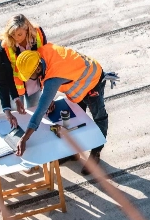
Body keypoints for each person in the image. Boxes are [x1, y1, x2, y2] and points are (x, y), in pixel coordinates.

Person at [14, 43, 110, 175]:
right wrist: (50, 98)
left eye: (30, 75)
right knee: (74, 120)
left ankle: (96, 152)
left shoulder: (53, 78)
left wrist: (24, 138)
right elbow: (51, 77)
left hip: (93, 81)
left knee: (99, 117)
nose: (30, 79)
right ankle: (73, 152)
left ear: (37, 69)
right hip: (79, 82)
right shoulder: (41, 55)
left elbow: (41, 109)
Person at [0, 14, 47, 111]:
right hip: (15, 88)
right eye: (12, 34)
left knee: (35, 111)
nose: (16, 38)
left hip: (34, 85)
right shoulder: (4, 44)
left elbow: (46, 59)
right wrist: (14, 97)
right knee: (17, 116)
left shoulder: (38, 33)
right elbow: (5, 73)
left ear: (27, 30)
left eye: (19, 34)